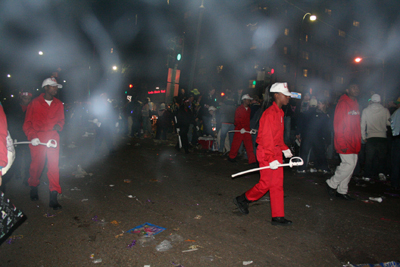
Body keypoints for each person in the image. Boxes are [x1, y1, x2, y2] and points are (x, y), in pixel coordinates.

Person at [233, 82, 293, 226]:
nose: (288, 98)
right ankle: (243, 199)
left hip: (275, 152)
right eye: (286, 95)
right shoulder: (269, 114)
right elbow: (265, 139)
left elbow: (277, 137)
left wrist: (284, 148)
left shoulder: (280, 113)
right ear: (277, 95)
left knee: (277, 184)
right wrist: (271, 158)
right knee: (266, 183)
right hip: (267, 153)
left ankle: (278, 216)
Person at [23, 77, 65, 210]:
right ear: (46, 88)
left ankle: (53, 197)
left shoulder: (58, 104)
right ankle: (33, 185)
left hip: (52, 138)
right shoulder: (34, 103)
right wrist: (32, 136)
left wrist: (59, 125)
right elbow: (27, 123)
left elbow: (61, 121)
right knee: (37, 165)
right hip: (38, 139)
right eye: (53, 86)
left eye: (56, 86)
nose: (55, 89)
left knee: (54, 167)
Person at [326, 83, 361, 201]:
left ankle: (342, 190)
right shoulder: (343, 103)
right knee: (348, 164)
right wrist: (341, 143)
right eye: (353, 87)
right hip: (345, 141)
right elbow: (338, 124)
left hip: (354, 141)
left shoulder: (355, 103)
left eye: (357, 87)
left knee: (351, 166)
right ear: (347, 89)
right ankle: (331, 183)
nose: (356, 89)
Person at [360, 94, 390, 181]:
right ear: (380, 101)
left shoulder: (366, 110)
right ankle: (381, 173)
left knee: (369, 158)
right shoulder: (385, 110)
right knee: (381, 157)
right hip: (382, 137)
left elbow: (362, 125)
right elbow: (389, 123)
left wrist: (363, 136)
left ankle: (367, 175)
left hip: (371, 137)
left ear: (371, 101)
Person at [296, 98, 331, 173]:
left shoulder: (308, 113)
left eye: (320, 103)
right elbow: (325, 129)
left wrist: (299, 133)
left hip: (310, 136)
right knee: (317, 152)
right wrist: (327, 140)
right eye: (318, 103)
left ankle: (302, 168)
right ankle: (322, 168)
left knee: (308, 152)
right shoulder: (320, 114)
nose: (319, 105)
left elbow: (301, 124)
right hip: (313, 136)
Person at [4, 92, 32, 185]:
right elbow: (10, 122)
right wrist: (13, 136)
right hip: (17, 136)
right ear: (21, 98)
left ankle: (27, 176)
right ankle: (17, 172)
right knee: (17, 156)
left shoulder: (31, 108)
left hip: (28, 136)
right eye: (25, 98)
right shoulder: (13, 108)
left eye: (28, 98)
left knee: (29, 157)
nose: (27, 100)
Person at [228, 94, 257, 165]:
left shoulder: (249, 109)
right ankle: (231, 157)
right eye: (248, 99)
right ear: (244, 100)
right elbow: (236, 119)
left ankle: (252, 160)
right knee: (236, 144)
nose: (249, 101)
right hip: (239, 129)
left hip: (246, 129)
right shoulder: (239, 109)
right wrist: (241, 128)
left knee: (249, 145)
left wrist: (249, 129)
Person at [390, 100, 400, 190]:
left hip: (397, 139)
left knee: (396, 162)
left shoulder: (397, 112)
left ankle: (395, 183)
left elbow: (391, 123)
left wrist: (393, 133)